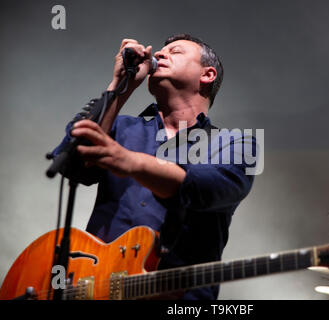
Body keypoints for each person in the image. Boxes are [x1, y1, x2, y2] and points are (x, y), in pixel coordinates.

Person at [52, 34, 257, 300]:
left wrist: (131, 161)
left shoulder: (237, 142)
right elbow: (71, 161)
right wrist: (121, 85)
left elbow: (206, 189)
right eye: (160, 51)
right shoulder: (122, 128)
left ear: (207, 75)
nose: (159, 55)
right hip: (93, 286)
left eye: (176, 51)